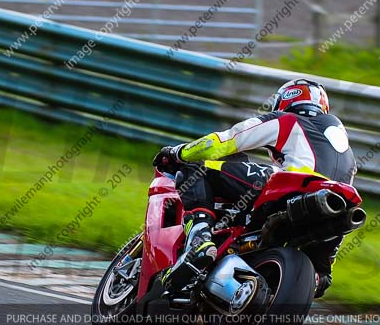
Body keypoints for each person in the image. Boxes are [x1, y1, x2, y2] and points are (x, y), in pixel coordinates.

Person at [153, 78, 357, 298]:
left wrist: (178, 153)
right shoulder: (349, 154)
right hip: (337, 211)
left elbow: (223, 142)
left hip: (292, 187)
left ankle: (199, 240)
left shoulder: (287, 119)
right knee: (321, 278)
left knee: (195, 170)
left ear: (285, 100)